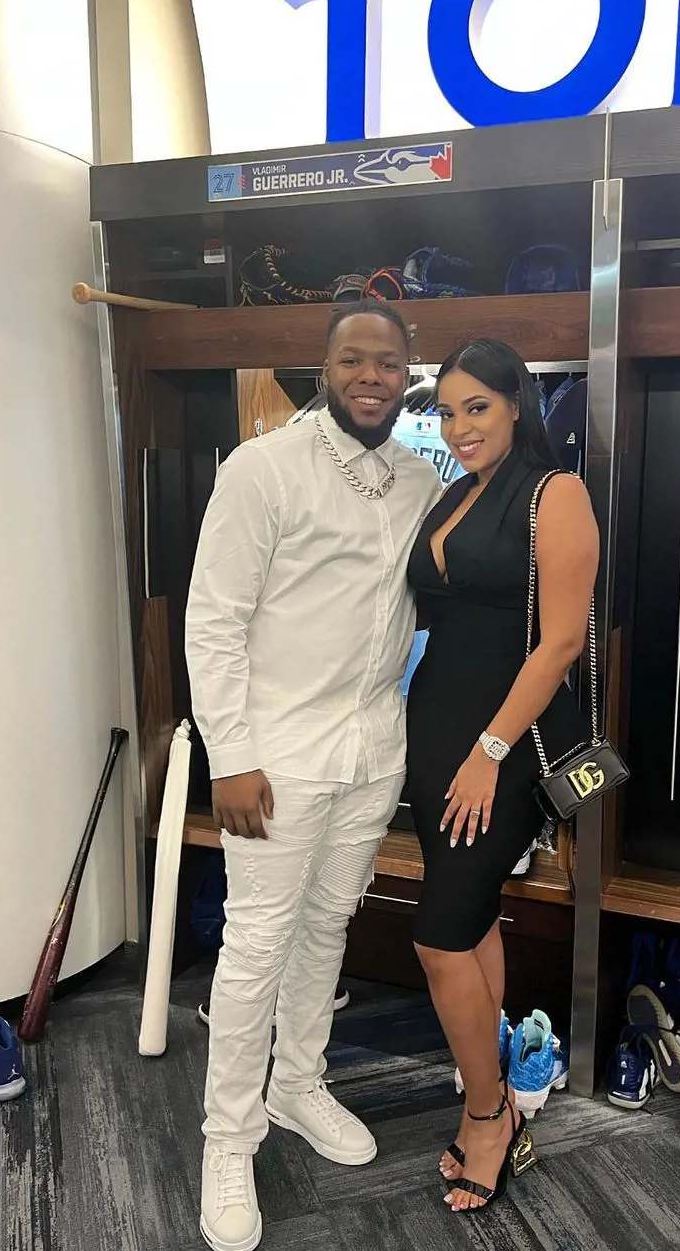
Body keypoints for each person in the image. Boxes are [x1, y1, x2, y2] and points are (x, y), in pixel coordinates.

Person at [186, 300, 441, 1251]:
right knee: (255, 945)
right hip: (276, 758)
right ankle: (229, 1137)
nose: (370, 375)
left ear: (407, 374)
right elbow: (212, 619)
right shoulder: (263, 470)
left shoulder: (419, 479)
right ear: (324, 367)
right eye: (352, 360)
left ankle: (297, 1085)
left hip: (373, 753)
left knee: (328, 924)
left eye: (387, 363)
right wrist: (232, 755)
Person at [406, 339, 599, 1213]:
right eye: (446, 411)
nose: (458, 426)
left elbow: (560, 641)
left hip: (504, 745)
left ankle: (490, 1114)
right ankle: (495, 1071)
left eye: (476, 406)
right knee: (473, 914)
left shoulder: (555, 494)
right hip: (439, 728)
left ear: (517, 404)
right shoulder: (456, 491)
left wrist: (489, 752)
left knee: (440, 933)